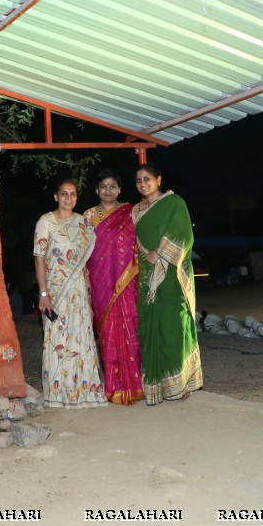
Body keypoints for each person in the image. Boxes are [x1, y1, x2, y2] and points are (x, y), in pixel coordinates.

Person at [132, 163, 202, 405]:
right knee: (151, 329)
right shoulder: (137, 211)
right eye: (139, 180)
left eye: (147, 178)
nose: (143, 183)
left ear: (159, 179)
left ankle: (181, 384)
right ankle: (157, 387)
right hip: (147, 278)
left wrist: (160, 253)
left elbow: (184, 236)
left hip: (171, 276)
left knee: (173, 328)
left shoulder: (175, 204)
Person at [33, 179, 106, 408]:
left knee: (80, 340)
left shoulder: (82, 223)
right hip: (55, 291)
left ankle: (84, 391)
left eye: (72, 194)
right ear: (56, 196)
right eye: (63, 194)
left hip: (78, 292)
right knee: (57, 340)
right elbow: (39, 259)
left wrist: (90, 296)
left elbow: (85, 263)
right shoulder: (46, 221)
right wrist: (43, 293)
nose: (68, 198)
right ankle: (58, 393)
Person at [83, 169, 144, 405]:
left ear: (119, 190)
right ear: (97, 190)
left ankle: (135, 384)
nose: (108, 191)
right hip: (100, 285)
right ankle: (113, 386)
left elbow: (138, 245)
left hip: (127, 284)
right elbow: (83, 252)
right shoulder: (87, 216)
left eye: (112, 186)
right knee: (107, 334)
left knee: (130, 328)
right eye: (103, 186)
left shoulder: (130, 213)